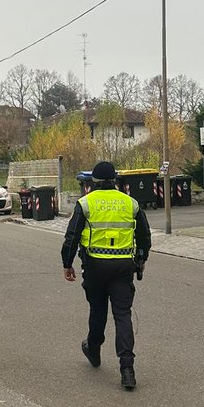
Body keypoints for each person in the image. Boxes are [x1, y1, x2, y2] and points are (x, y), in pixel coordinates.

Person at [60, 160, 151, 391]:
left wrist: (67, 263)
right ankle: (127, 369)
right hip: (123, 267)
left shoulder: (86, 203)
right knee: (123, 315)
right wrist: (140, 260)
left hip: (95, 266)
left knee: (98, 310)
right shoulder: (130, 203)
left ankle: (94, 349)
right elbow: (144, 237)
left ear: (94, 182)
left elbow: (72, 235)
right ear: (115, 181)